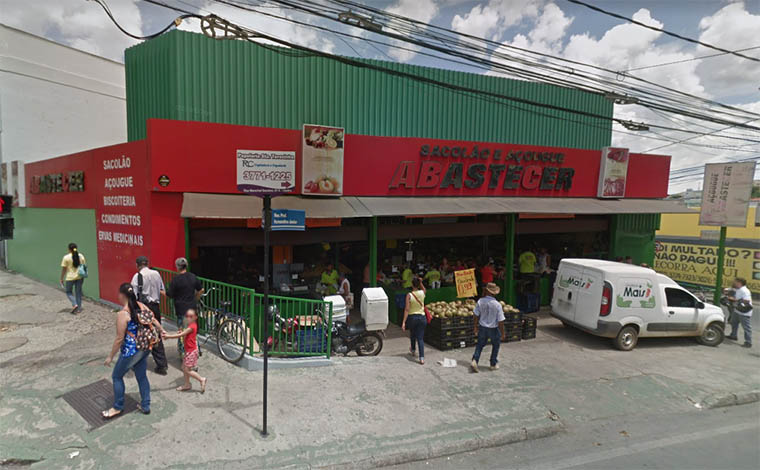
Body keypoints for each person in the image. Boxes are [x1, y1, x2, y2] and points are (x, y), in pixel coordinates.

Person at [102, 283, 165, 419]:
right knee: (141, 376)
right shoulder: (141, 306)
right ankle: (145, 405)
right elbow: (153, 319)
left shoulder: (123, 314)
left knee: (117, 376)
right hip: (144, 348)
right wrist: (161, 330)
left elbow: (119, 339)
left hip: (131, 352)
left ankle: (117, 407)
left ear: (122, 295)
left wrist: (110, 357)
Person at [130, 256, 168, 375]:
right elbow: (162, 288)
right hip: (156, 307)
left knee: (141, 334)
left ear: (137, 265)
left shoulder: (137, 277)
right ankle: (162, 364)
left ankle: (137, 362)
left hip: (144, 308)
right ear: (147, 264)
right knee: (155, 334)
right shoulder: (156, 273)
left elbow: (133, 296)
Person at [166, 257, 204, 357]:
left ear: (177, 267)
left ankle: (184, 354)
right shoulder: (193, 277)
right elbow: (201, 290)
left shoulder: (175, 280)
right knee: (193, 332)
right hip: (192, 309)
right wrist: (196, 298)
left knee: (182, 332)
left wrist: (162, 292)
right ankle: (197, 349)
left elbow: (169, 294)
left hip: (181, 310)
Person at [163, 309, 207, 392]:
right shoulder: (190, 325)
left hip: (191, 351)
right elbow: (184, 335)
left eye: (191, 316)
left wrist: (168, 336)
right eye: (187, 316)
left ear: (196, 317)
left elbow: (181, 335)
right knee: (184, 367)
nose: (188, 318)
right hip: (189, 350)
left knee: (187, 369)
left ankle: (201, 379)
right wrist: (181, 332)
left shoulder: (191, 326)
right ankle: (187, 384)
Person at [471, 283, 506, 373]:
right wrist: (502, 333)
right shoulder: (497, 305)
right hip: (493, 328)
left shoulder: (480, 301)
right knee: (496, 345)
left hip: (482, 327)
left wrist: (475, 327)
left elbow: (475, 315)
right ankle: (493, 363)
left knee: (480, 344)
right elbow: (500, 321)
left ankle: (475, 360)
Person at [402, 277, 426, 365]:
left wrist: (404, 322)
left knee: (412, 334)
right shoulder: (422, 293)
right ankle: (422, 358)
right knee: (420, 338)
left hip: (413, 318)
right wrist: (421, 282)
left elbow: (407, 309)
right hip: (422, 318)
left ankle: (413, 350)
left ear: (412, 285)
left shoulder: (409, 295)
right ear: (418, 285)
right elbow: (424, 289)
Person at [60, 243, 86, 314]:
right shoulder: (81, 256)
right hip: (80, 277)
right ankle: (79, 308)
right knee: (78, 293)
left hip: (70, 278)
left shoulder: (66, 257)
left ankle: (74, 304)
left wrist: (61, 278)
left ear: (69, 249)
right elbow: (84, 266)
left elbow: (64, 269)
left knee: (68, 292)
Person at [726, 277, 753, 348]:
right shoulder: (738, 289)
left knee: (746, 327)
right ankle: (733, 335)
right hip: (737, 310)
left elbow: (746, 301)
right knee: (733, 322)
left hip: (744, 312)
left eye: (735, 282)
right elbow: (731, 289)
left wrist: (734, 299)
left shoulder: (744, 291)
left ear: (739, 283)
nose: (734, 283)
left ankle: (748, 342)